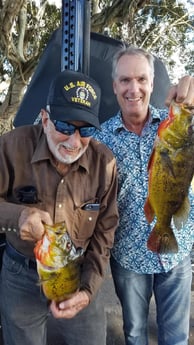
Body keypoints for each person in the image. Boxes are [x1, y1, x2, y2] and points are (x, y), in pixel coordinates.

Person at [0, 70, 119, 345]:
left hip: (77, 273)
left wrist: (88, 290)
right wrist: (18, 215)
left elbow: (105, 230)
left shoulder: (105, 163)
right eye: (64, 126)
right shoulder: (11, 147)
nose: (74, 141)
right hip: (21, 277)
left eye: (86, 130)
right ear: (45, 118)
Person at [94, 46, 194, 345]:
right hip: (128, 256)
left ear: (152, 83)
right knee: (135, 334)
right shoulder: (101, 139)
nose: (133, 88)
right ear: (115, 86)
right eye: (125, 80)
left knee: (175, 337)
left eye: (141, 79)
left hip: (177, 249)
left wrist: (190, 83)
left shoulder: (178, 125)